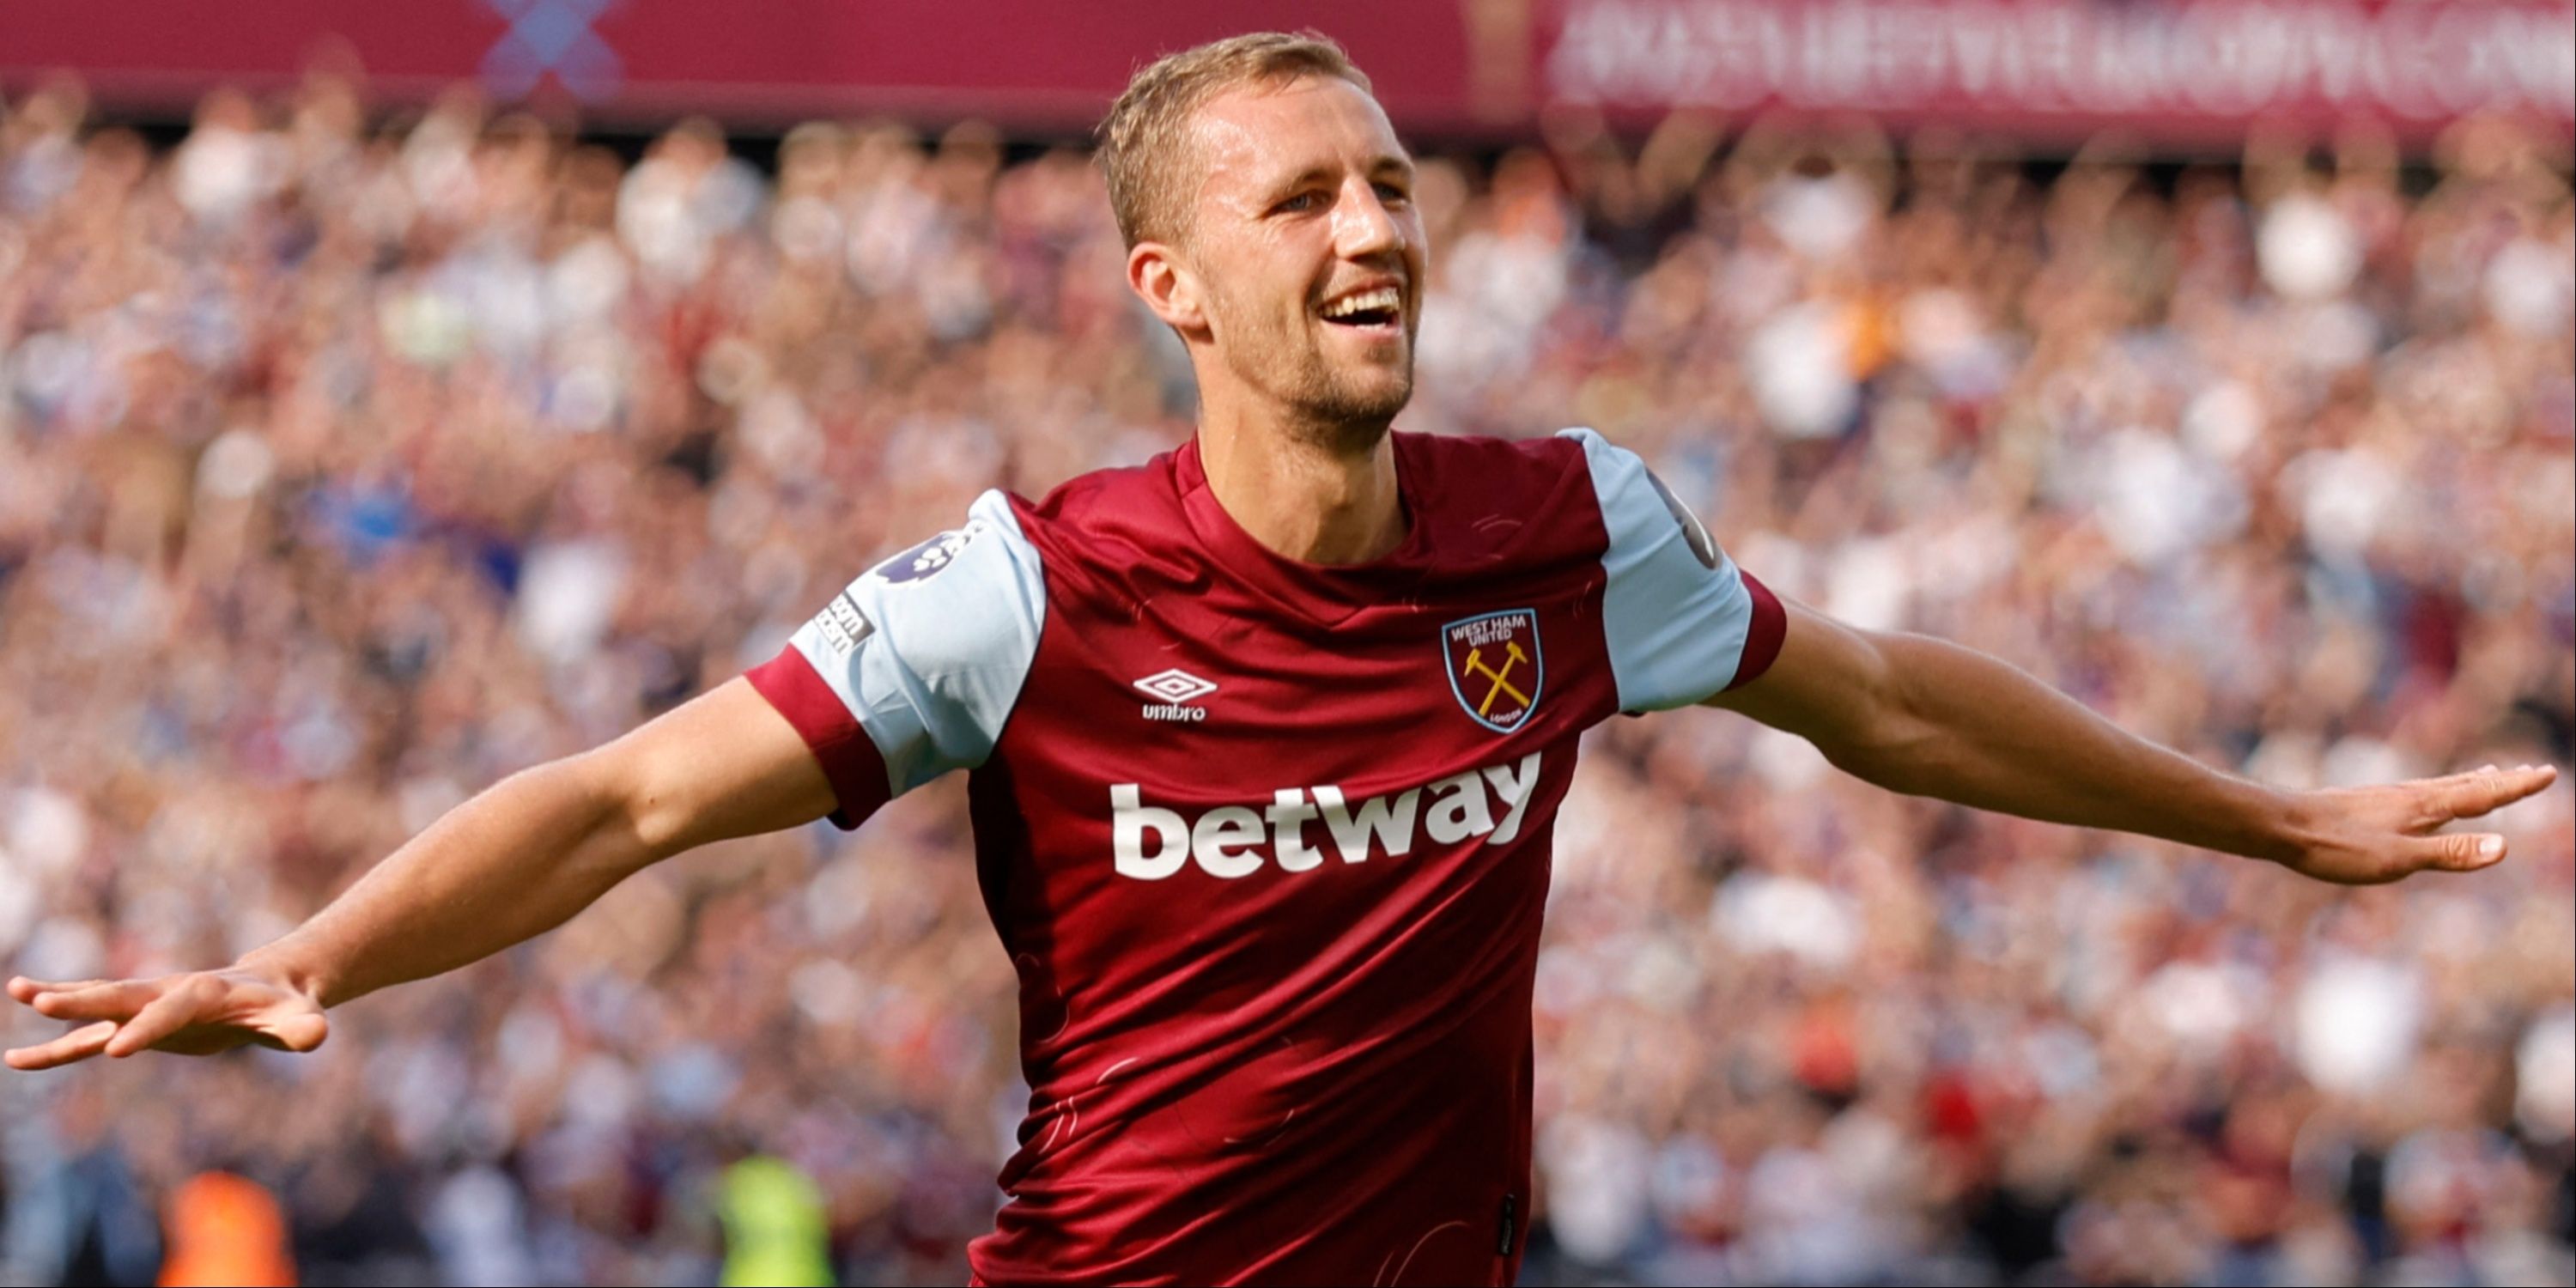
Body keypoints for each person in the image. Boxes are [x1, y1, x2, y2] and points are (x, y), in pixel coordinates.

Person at [3, 32, 2556, 1288]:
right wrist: (314, 957)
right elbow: (629, 796)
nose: (1373, 228)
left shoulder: (1567, 533)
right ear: (1168, 284)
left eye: (1392, 182)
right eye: (1301, 194)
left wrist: (2281, 816)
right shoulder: (1027, 587)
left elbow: (1874, 695)